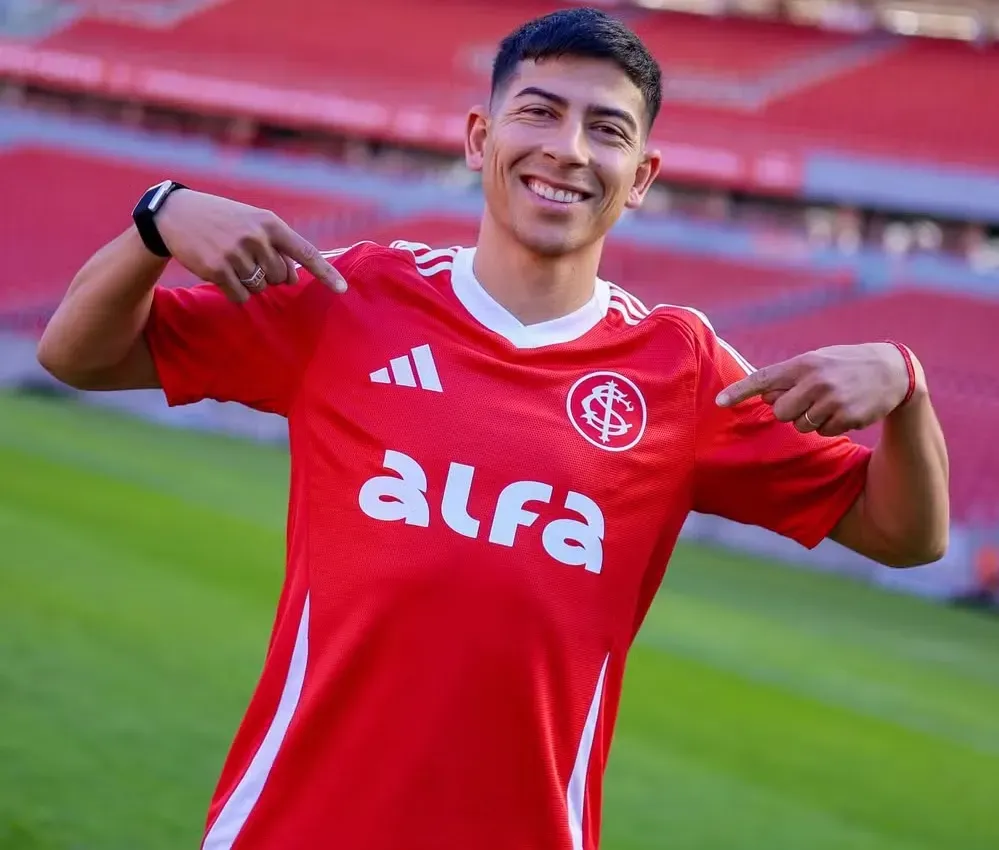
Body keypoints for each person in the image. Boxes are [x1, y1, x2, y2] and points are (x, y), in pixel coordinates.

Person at [36, 8, 949, 850]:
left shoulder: (682, 371)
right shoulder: (353, 298)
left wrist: (907, 387)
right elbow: (81, 356)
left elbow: (903, 536)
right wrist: (154, 220)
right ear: (481, 138)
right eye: (539, 114)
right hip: (289, 826)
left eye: (607, 130)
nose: (567, 150)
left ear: (642, 177)